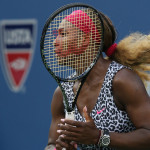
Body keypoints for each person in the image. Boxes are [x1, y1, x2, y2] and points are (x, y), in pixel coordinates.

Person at [44, 7, 150, 150]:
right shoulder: (61, 93)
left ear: (85, 39)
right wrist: (59, 148)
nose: (55, 42)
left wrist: (99, 137)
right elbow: (51, 144)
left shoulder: (122, 80)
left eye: (63, 34)